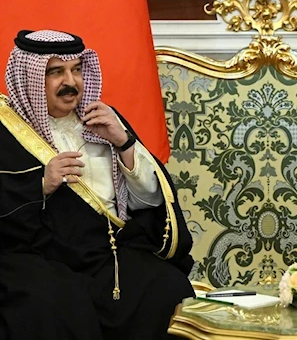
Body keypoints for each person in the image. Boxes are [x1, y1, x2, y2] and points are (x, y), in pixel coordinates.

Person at [0, 29, 195, 339]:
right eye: (56, 72)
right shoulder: (7, 130)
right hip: (38, 257)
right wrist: (41, 185)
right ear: (31, 78)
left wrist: (125, 145)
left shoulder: (103, 121)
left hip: (106, 254)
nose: (71, 81)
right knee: (55, 301)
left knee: (165, 286)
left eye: (77, 69)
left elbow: (147, 205)